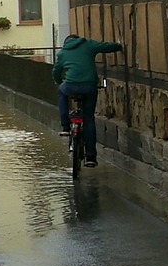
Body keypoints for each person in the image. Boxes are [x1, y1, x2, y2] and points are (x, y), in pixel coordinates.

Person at [52, 33, 123, 167]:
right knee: (89, 119)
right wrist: (119, 46)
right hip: (89, 87)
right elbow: (106, 46)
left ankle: (65, 126)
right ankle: (91, 157)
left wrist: (59, 82)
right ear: (78, 39)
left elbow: (56, 72)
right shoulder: (88, 44)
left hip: (70, 86)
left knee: (61, 90)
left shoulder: (62, 53)